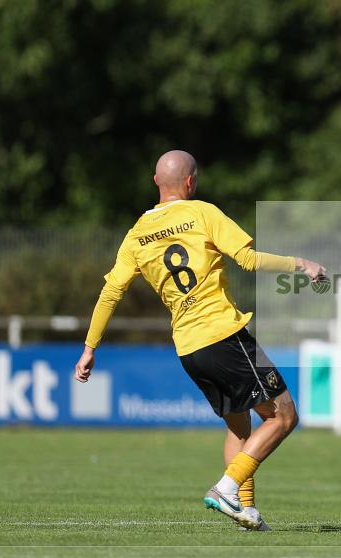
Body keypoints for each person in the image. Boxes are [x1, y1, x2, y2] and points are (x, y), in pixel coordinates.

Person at [74, 150, 325, 531]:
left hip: (189, 349)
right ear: (190, 182)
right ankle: (226, 488)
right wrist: (300, 264)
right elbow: (248, 259)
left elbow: (111, 293)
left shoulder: (137, 234)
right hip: (224, 334)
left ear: (156, 181)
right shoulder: (203, 212)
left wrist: (90, 347)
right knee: (284, 416)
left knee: (239, 429)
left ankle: (245, 513)